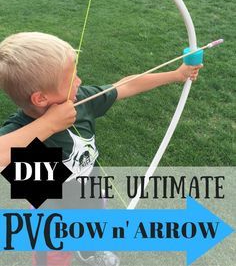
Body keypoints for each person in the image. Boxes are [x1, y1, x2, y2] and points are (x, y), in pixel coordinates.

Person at [0, 32, 202, 266]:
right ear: (40, 99)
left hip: (91, 192)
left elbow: (126, 86)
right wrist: (48, 124)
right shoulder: (20, 129)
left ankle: (89, 250)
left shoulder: (81, 101)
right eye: (71, 80)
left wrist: (176, 74)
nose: (80, 82)